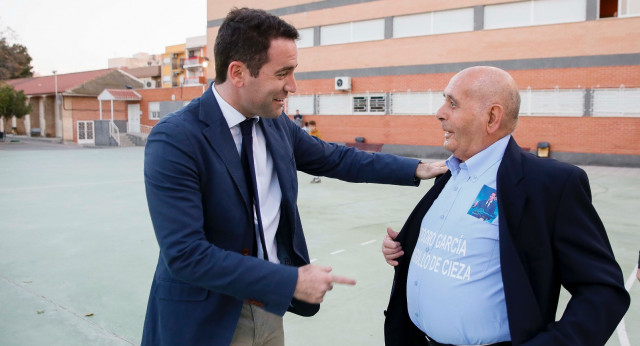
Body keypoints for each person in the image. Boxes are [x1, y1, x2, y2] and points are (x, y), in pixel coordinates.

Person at [141, 7, 447, 346]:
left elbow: (336, 158)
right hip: (204, 319)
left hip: (268, 307)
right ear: (238, 72)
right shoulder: (176, 138)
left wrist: (415, 168)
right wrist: (288, 281)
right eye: (282, 73)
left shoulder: (274, 123)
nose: (293, 86)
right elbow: (186, 254)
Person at [382, 66, 630, 346]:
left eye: (452, 103)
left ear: (492, 117)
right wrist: (406, 248)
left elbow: (602, 292)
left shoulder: (550, 184)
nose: (439, 112)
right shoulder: (451, 173)